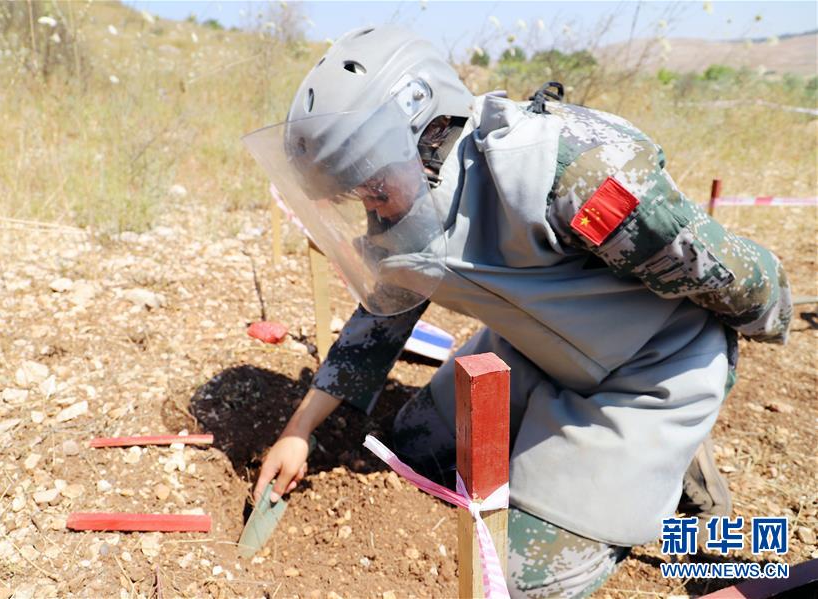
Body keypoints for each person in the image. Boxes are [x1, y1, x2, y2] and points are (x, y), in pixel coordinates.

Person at [242, 25, 792, 598]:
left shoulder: (570, 175)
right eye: (355, 193)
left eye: (373, 185)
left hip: (649, 372)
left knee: (510, 580)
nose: (371, 208)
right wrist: (299, 430)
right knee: (415, 445)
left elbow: (721, 269)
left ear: (431, 132)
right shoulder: (402, 197)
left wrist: (756, 330)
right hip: (536, 351)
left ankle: (680, 466)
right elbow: (382, 313)